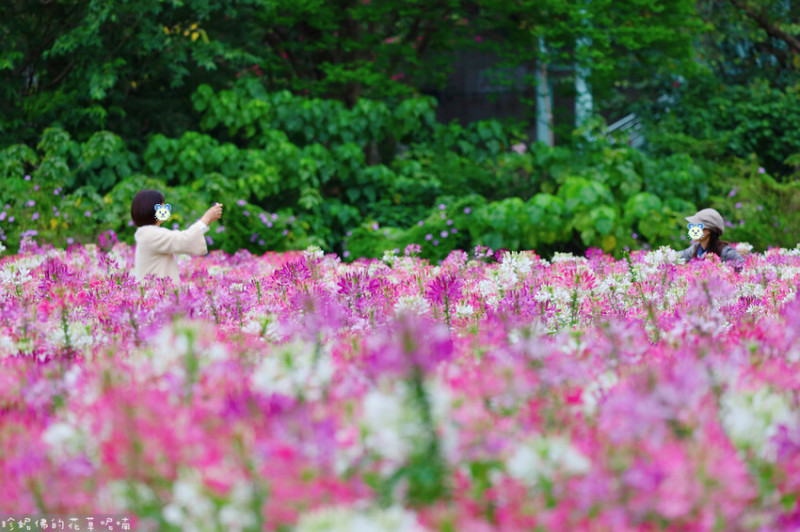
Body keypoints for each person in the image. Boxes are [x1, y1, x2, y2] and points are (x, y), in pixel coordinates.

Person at [131, 189, 223, 284]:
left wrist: (206, 221)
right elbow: (185, 240)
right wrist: (206, 219)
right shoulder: (150, 234)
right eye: (162, 205)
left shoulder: (147, 233)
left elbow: (182, 238)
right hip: (157, 295)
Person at [678, 208, 744, 272]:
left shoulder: (726, 253)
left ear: (708, 230)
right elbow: (676, 256)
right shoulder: (695, 249)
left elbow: (745, 269)